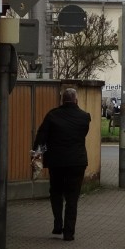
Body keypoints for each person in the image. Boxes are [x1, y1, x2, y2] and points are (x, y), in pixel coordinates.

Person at [32, 87, 91, 241]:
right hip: (77, 162)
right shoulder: (84, 117)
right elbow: (82, 134)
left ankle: (58, 224)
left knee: (56, 193)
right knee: (72, 197)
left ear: (62, 100)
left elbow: (41, 136)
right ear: (76, 100)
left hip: (56, 162)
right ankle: (69, 232)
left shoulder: (52, 116)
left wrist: (37, 153)